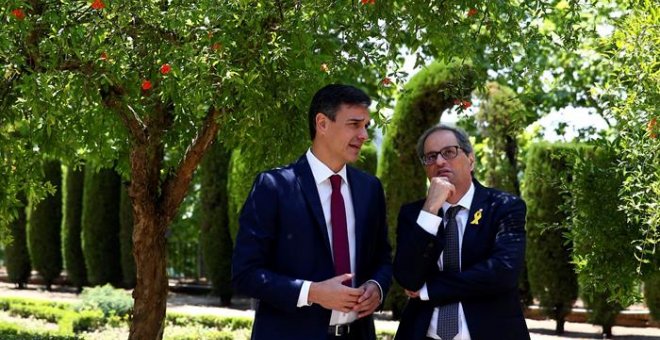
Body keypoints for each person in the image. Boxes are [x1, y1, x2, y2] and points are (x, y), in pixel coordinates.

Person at [232, 84, 392, 340]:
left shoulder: (370, 188)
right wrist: (312, 292)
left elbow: (382, 258)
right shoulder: (273, 187)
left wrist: (377, 287)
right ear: (322, 123)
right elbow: (245, 274)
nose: (363, 135)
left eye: (366, 126)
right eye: (354, 124)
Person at [393, 124, 529, 340]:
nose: (439, 161)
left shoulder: (504, 207)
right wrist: (430, 210)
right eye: (430, 157)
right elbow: (407, 277)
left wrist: (430, 289)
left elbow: (503, 272)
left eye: (449, 152)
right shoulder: (413, 214)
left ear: (471, 159)